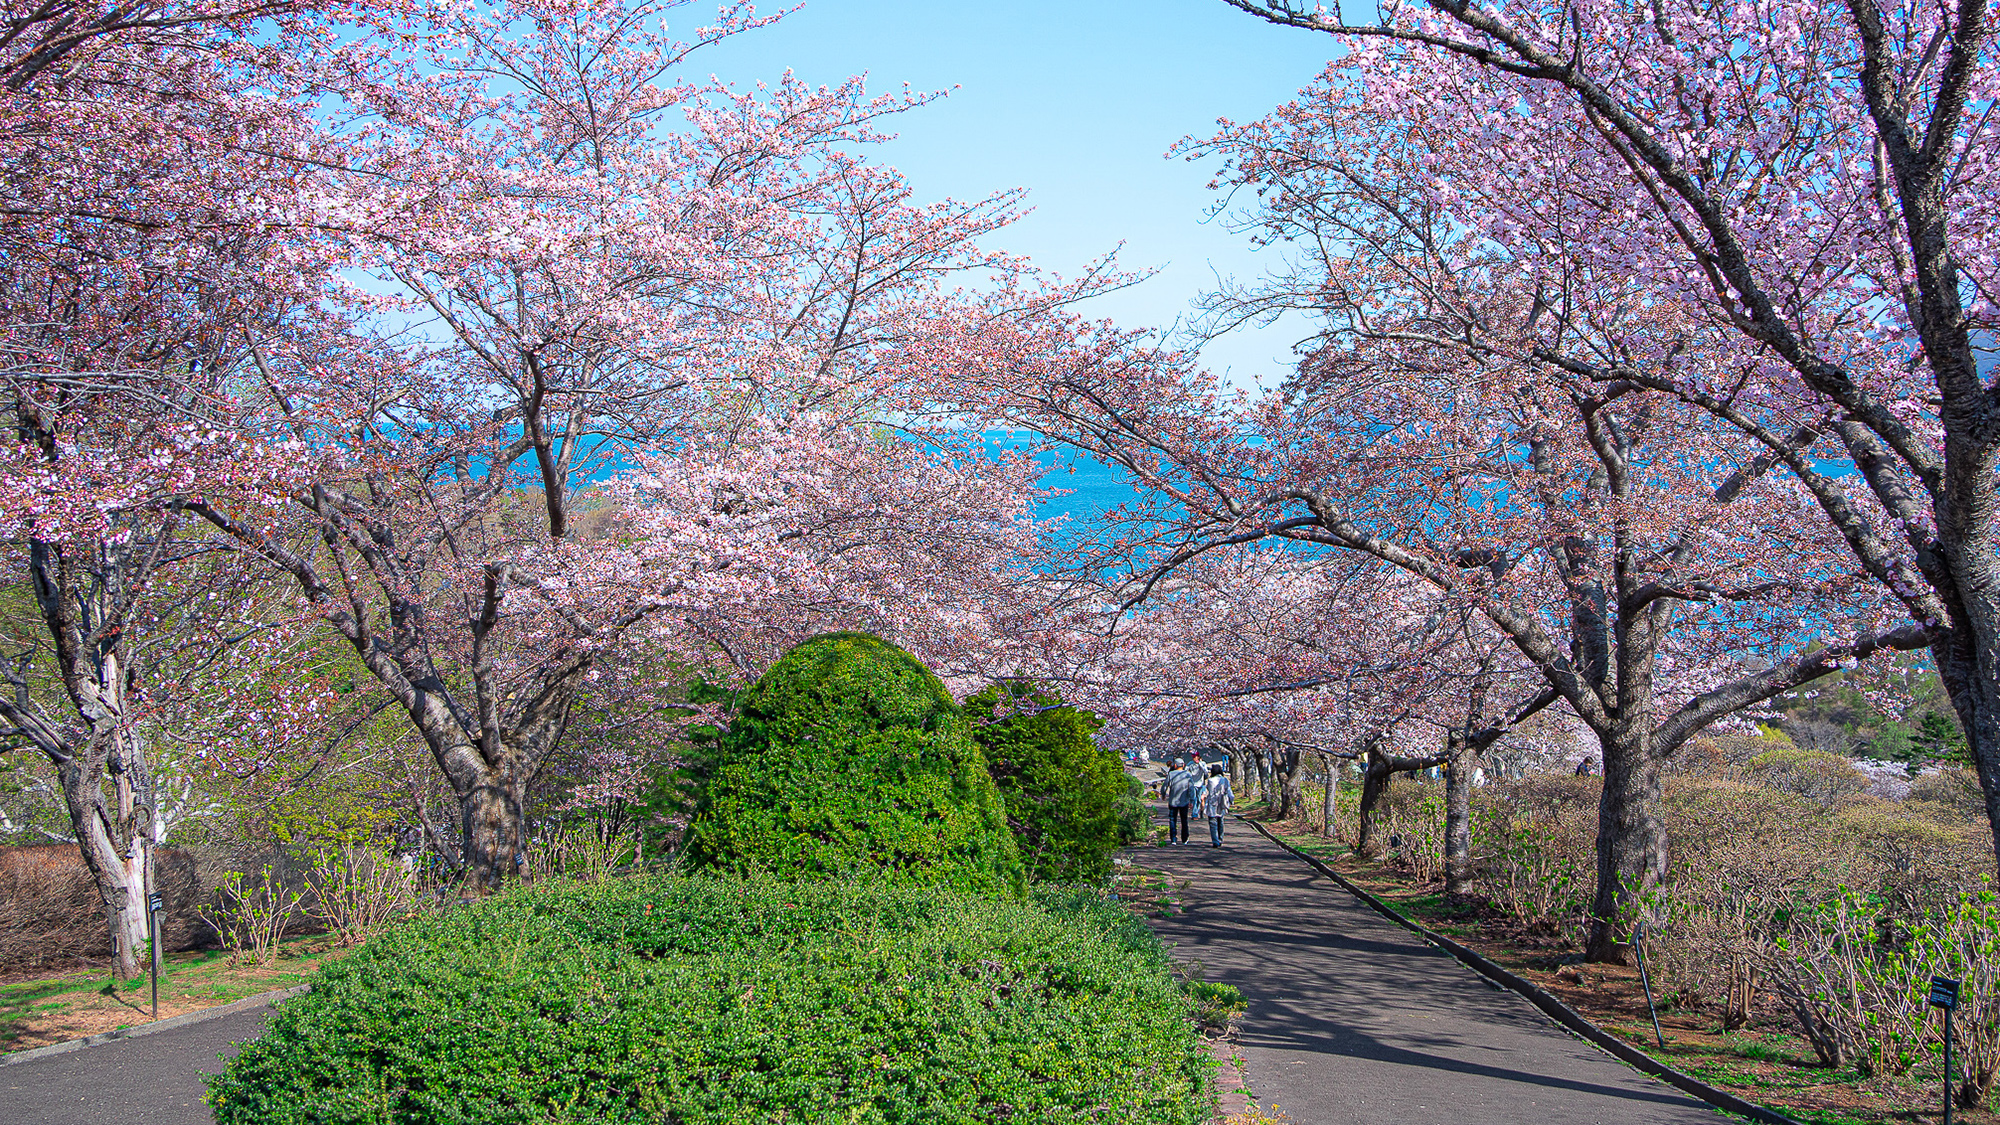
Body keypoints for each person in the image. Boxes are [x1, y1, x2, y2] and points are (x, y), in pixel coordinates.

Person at [1163, 757, 1199, 844]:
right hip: (1184, 801)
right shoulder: (1187, 774)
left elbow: (1165, 786)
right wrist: (1191, 800)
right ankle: (1185, 839)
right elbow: (1191, 788)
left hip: (1173, 801)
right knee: (1184, 820)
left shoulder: (1171, 774)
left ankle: (1173, 839)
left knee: (1172, 820)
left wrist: (1163, 794)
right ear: (1183, 765)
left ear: (1175, 765)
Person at [1197, 763, 1233, 847]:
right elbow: (1229, 792)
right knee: (1220, 821)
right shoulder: (1225, 780)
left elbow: (1207, 790)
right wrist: (1231, 801)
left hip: (1212, 803)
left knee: (1213, 823)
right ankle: (1220, 839)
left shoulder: (1210, 780)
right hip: (1221, 803)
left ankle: (1215, 841)